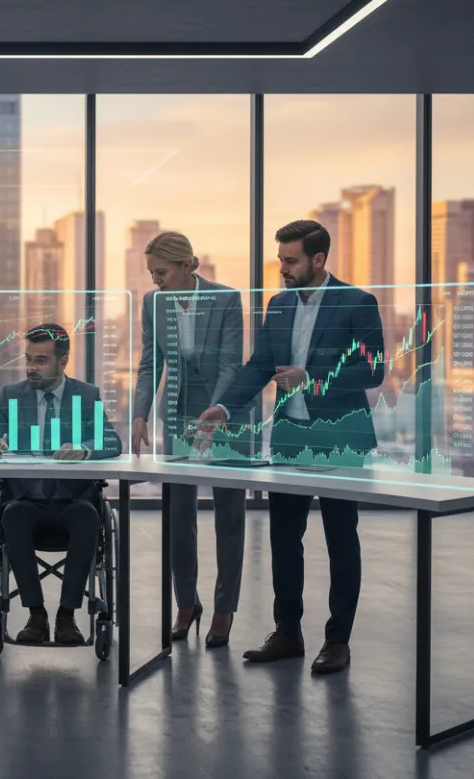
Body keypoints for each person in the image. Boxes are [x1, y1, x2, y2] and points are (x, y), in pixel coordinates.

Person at [194, 219, 385, 674]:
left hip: (339, 441)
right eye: (281, 259)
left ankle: (337, 640)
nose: (283, 268)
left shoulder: (357, 302)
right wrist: (224, 407)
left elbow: (374, 371)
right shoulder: (278, 305)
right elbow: (259, 365)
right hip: (290, 438)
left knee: (341, 539)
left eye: (291, 260)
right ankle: (288, 633)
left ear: (319, 260)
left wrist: (312, 380)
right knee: (284, 536)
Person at [0, 323, 122, 645]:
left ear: (62, 361)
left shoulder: (86, 395)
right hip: (26, 501)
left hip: (73, 502)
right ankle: (35, 615)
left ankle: (67, 616)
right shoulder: (12, 396)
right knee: (12, 516)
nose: (31, 368)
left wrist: (85, 450)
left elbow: (112, 441)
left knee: (88, 517)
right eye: (28, 359)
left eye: (40, 360)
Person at [132, 231, 247, 648]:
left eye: (161, 272)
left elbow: (231, 365)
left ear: (187, 267)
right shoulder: (152, 303)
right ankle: (186, 603)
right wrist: (141, 413)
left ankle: (223, 609)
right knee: (179, 517)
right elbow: (150, 363)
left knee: (229, 518)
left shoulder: (227, 299)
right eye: (151, 273)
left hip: (226, 418)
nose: (155, 280)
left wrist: (214, 415)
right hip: (177, 416)